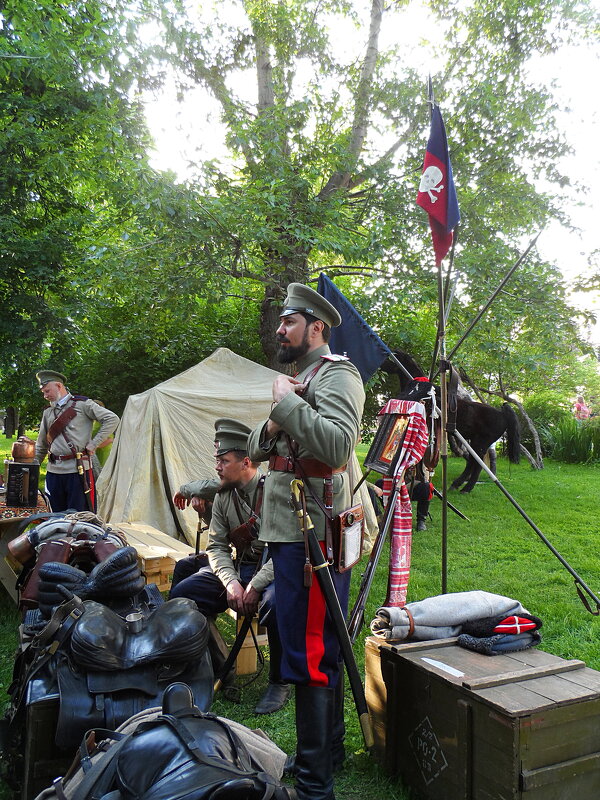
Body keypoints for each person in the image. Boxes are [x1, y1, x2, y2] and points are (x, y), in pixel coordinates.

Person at [247, 283, 365, 800]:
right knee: (319, 643)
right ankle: (328, 752)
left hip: (312, 533)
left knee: (312, 650)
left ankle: (316, 786)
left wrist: (285, 406)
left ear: (315, 327)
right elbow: (256, 446)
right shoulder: (298, 380)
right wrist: (280, 409)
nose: (280, 329)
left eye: (289, 322)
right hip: (290, 531)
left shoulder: (338, 373)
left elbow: (338, 445)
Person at [170, 418, 291, 715]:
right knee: (184, 596)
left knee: (277, 603)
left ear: (246, 461)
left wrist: (255, 585)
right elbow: (217, 548)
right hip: (239, 570)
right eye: (218, 461)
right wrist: (231, 583)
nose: (217, 467)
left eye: (224, 461)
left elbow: (289, 550)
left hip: (274, 570)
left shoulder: (278, 493)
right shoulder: (225, 496)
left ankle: (280, 680)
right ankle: (220, 665)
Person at [34, 371, 119, 513]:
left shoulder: (83, 405)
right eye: (43, 392)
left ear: (59, 385)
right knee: (54, 516)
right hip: (53, 473)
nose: (45, 395)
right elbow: (41, 445)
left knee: (79, 517)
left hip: (77, 471)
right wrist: (32, 468)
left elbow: (112, 419)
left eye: (47, 391)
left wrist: (94, 443)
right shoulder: (48, 412)